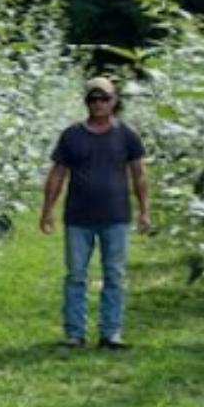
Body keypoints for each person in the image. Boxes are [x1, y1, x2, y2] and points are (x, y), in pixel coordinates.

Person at [40, 76, 149, 349]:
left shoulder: (127, 135)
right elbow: (57, 174)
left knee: (115, 275)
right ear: (86, 102)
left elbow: (139, 175)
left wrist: (144, 210)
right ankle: (74, 334)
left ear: (114, 101)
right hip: (78, 218)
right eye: (93, 98)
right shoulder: (71, 135)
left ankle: (111, 333)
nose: (99, 103)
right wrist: (47, 210)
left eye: (104, 98)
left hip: (116, 217)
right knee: (76, 276)